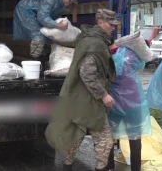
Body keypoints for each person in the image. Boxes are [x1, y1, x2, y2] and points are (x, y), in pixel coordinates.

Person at [44, 9, 120, 171]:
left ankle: (68, 167)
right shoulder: (95, 43)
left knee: (74, 137)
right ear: (100, 22)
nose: (113, 27)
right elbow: (87, 72)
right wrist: (103, 95)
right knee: (104, 141)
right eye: (110, 24)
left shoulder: (88, 37)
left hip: (79, 98)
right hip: (89, 100)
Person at [106, 45, 152, 171]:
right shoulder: (132, 54)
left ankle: (109, 167)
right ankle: (135, 168)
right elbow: (142, 65)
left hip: (114, 102)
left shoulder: (107, 56)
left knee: (109, 136)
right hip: (134, 102)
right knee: (135, 137)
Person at [13, 0, 80, 58]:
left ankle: (44, 58)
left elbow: (54, 18)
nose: (70, 2)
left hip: (37, 14)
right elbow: (42, 16)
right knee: (38, 36)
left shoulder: (61, 5)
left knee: (49, 37)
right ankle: (35, 61)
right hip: (26, 11)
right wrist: (57, 25)